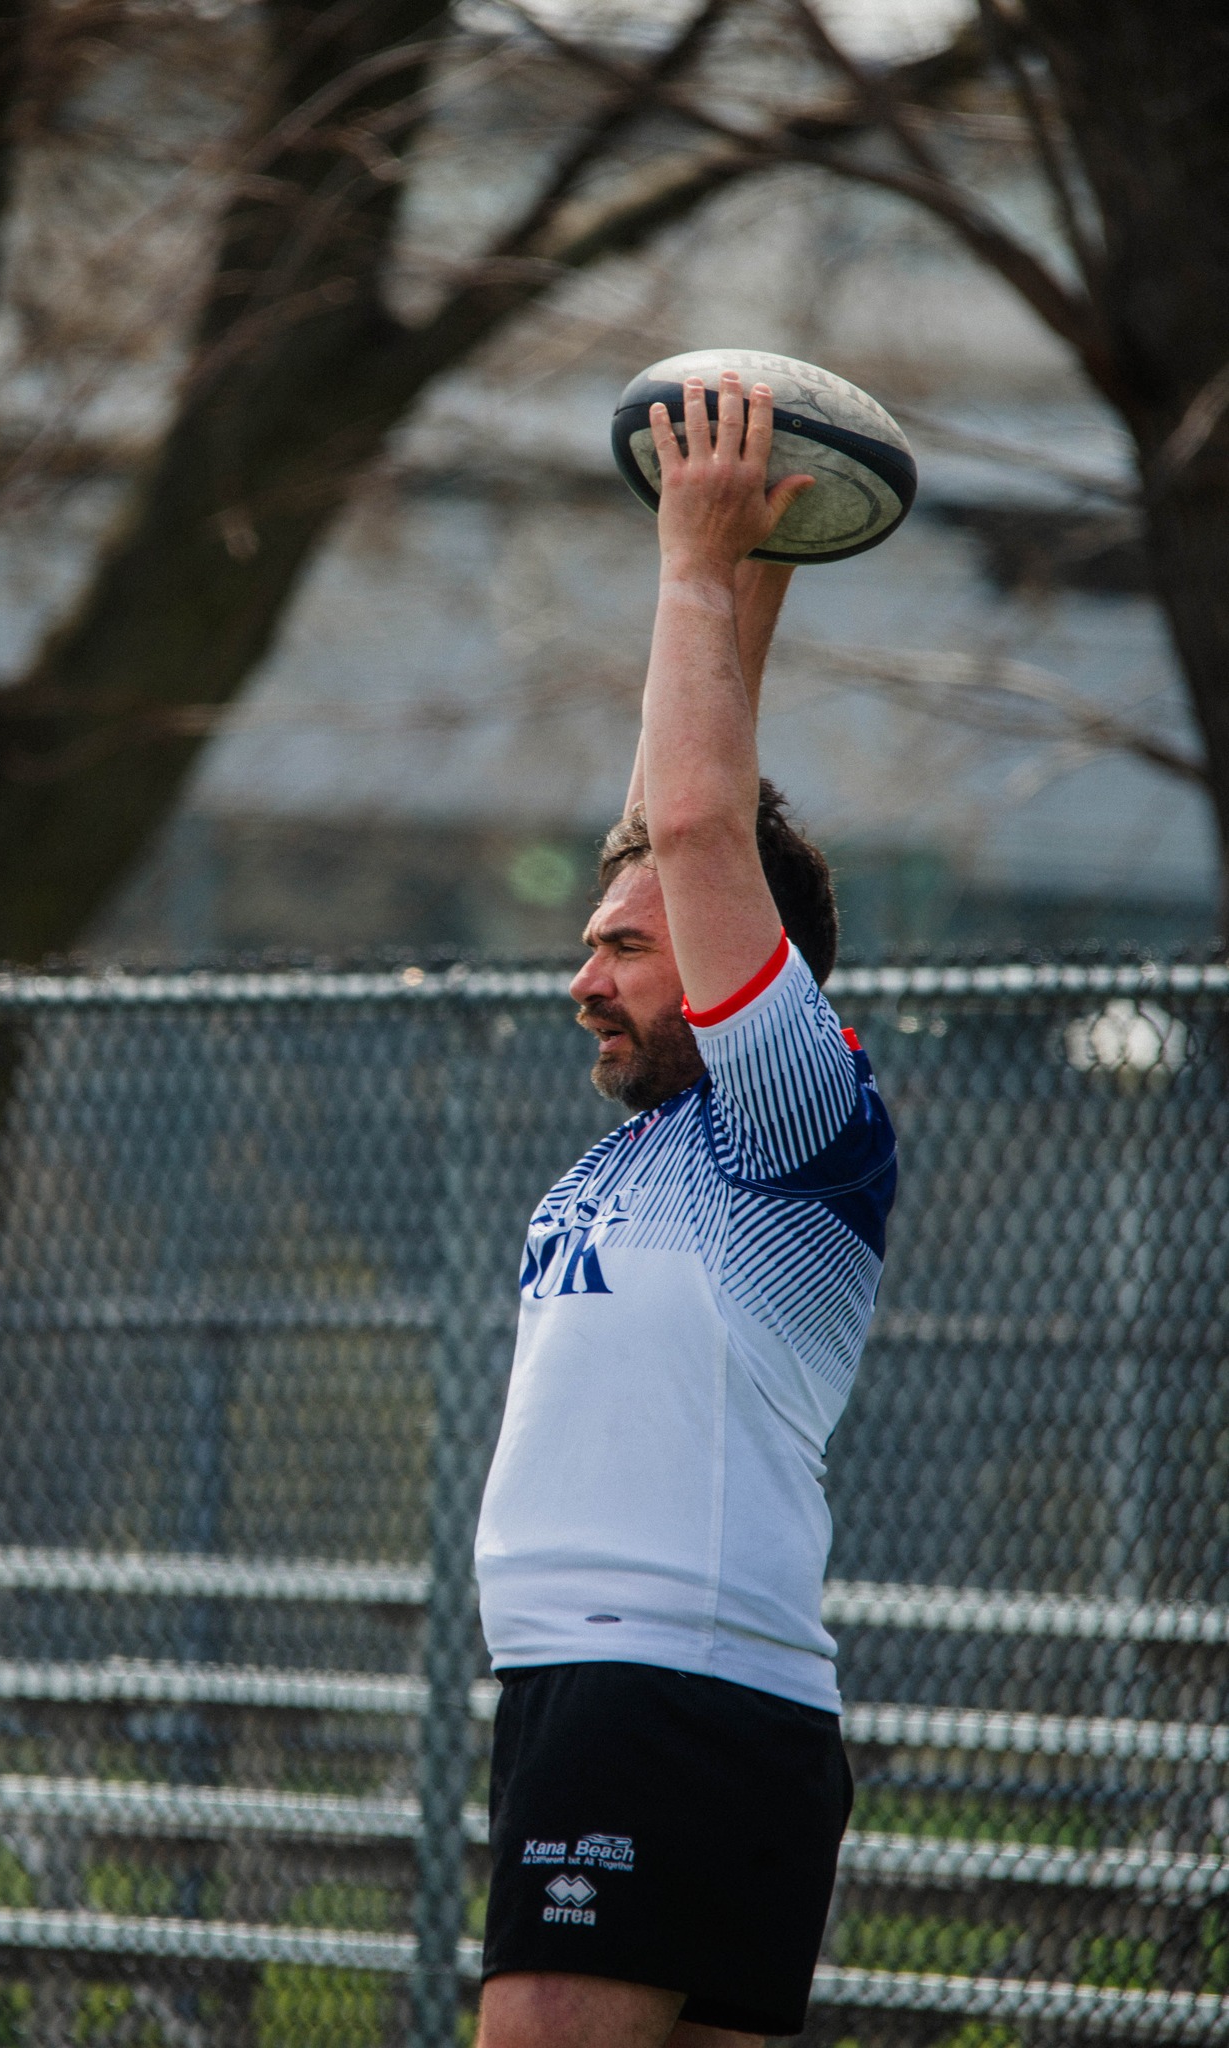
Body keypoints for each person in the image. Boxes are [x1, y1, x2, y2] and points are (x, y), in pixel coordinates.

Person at [473, 373, 898, 2048]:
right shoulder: (655, 1149)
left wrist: (684, 551)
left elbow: (704, 826)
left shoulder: (794, 1120)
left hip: (654, 1691)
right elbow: (687, 814)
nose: (581, 973)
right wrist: (748, 577)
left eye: (623, 945)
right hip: (665, 1696)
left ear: (743, 975)